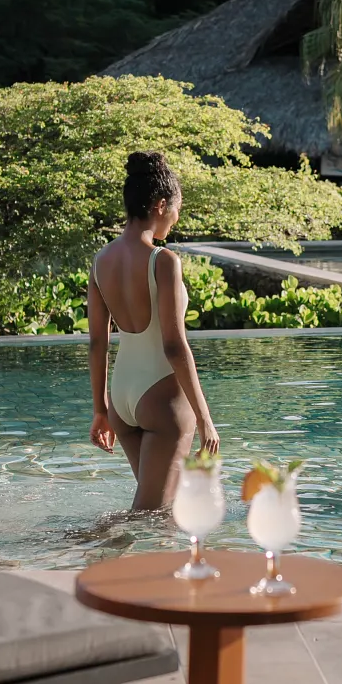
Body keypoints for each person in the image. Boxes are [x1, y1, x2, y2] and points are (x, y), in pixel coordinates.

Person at [87, 151, 219, 509]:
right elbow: (174, 346)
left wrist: (101, 409)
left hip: (122, 397)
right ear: (161, 205)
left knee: (162, 508)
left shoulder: (101, 261)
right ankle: (79, 549)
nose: (175, 220)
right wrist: (205, 417)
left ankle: (151, 563)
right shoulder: (163, 260)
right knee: (151, 515)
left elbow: (97, 343)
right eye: (176, 210)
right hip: (162, 398)